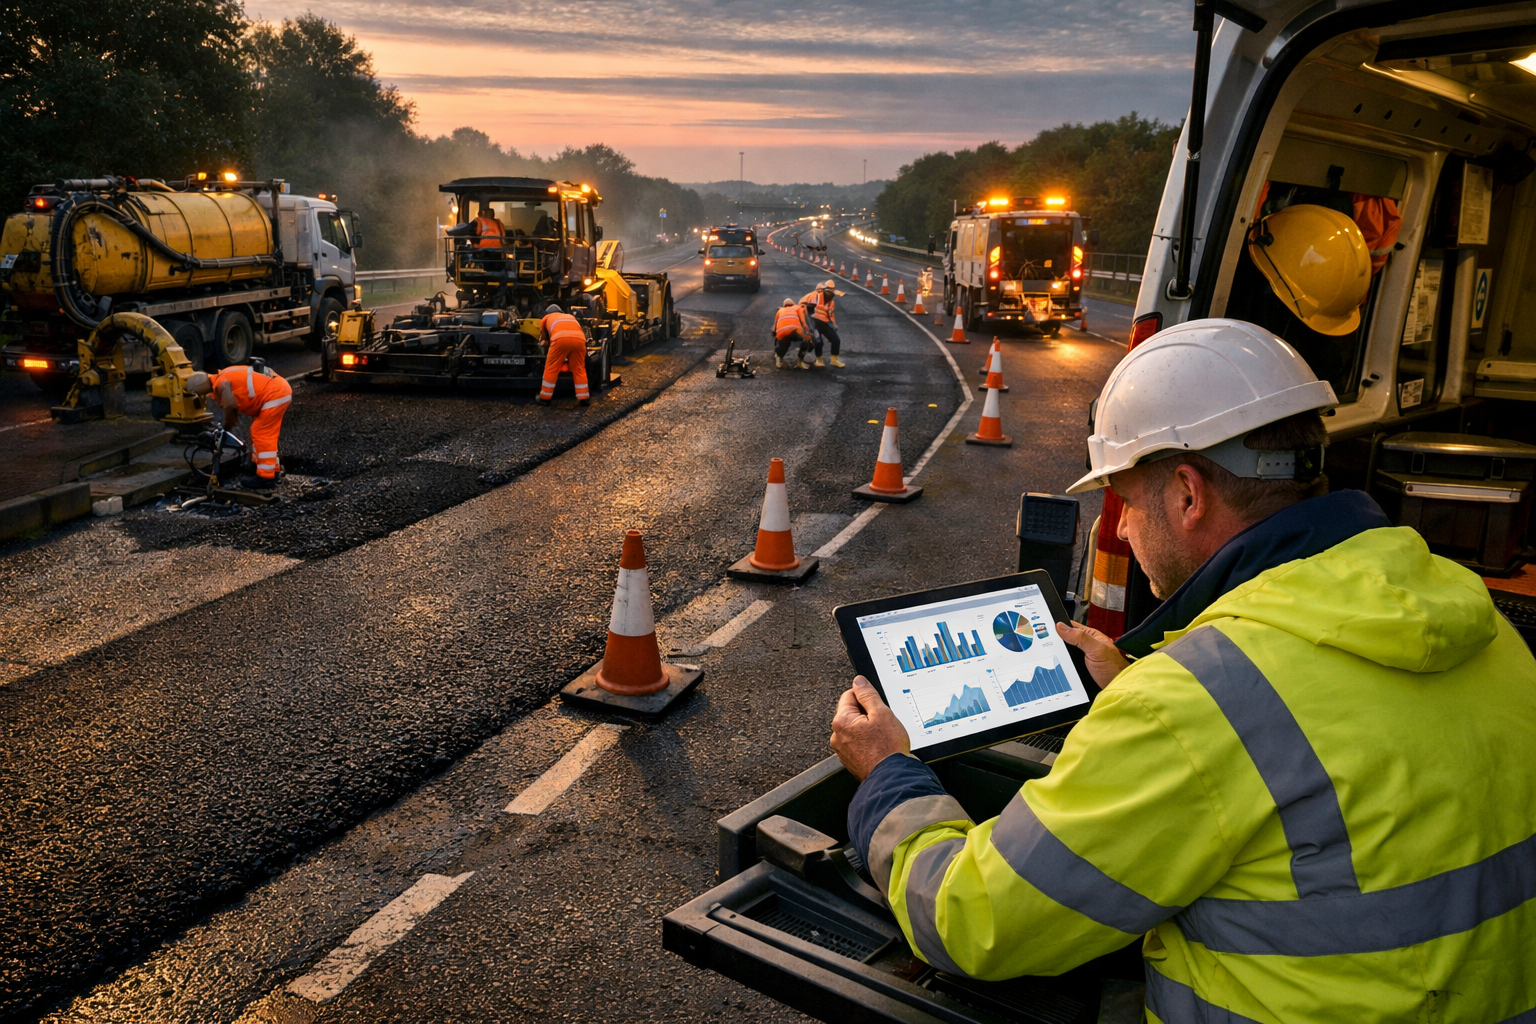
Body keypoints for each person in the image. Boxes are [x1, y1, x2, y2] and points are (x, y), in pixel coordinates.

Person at [829, 318, 1536, 1021]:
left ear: (1188, 494)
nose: (1127, 529)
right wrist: (1143, 675)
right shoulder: (1474, 617)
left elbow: (975, 920)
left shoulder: (1195, 703)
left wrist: (890, 774)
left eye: (1128, 503)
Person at [186, 364, 292, 489]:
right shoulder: (224, 375)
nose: (201, 396)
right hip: (277, 390)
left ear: (201, 387)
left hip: (274, 393)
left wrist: (227, 427)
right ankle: (269, 469)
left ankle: (265, 478)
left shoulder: (221, 384)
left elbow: (230, 406)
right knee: (262, 433)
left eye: (198, 392)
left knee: (261, 432)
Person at [537, 303, 589, 405]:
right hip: (579, 340)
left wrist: (543, 343)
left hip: (560, 340)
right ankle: (584, 398)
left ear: (547, 313)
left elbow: (544, 339)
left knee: (551, 367)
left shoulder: (546, 318)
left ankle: (545, 398)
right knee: (579, 368)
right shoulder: (570, 317)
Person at [798, 280, 846, 368]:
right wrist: (806, 322)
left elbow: (831, 314)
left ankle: (834, 360)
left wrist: (834, 323)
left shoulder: (831, 302)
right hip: (814, 322)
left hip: (825, 323)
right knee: (818, 341)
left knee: (836, 340)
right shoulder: (815, 297)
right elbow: (804, 305)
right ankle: (819, 360)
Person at [772, 297, 811, 369]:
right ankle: (800, 362)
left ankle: (779, 359)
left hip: (782, 331)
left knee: (784, 343)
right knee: (806, 341)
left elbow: (775, 327)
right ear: (793, 304)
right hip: (795, 330)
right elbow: (803, 322)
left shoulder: (780, 310)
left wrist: (777, 337)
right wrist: (807, 332)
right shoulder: (797, 308)